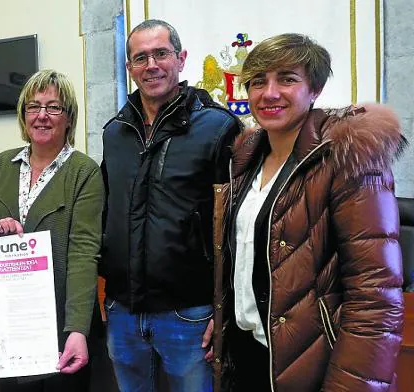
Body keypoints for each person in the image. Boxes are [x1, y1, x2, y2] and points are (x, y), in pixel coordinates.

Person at [211, 33, 405, 391]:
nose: (269, 93)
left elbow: (375, 300)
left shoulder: (349, 159)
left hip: (317, 365)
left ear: (313, 89)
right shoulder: (246, 159)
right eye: (257, 82)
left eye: (287, 79)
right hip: (252, 356)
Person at [100, 19, 241, 392]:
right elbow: (107, 214)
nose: (151, 65)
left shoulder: (218, 128)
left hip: (189, 313)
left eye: (161, 53)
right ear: (129, 68)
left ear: (181, 59)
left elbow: (236, 229)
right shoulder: (114, 132)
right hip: (123, 311)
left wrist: (222, 307)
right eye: (140, 58)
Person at [0, 69, 104, 391]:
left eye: (53, 107)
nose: (42, 116)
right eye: (33, 107)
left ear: (68, 118)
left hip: (60, 328)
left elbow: (84, 253)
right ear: (23, 115)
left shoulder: (83, 171)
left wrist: (76, 330)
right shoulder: (4, 163)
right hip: (9, 325)